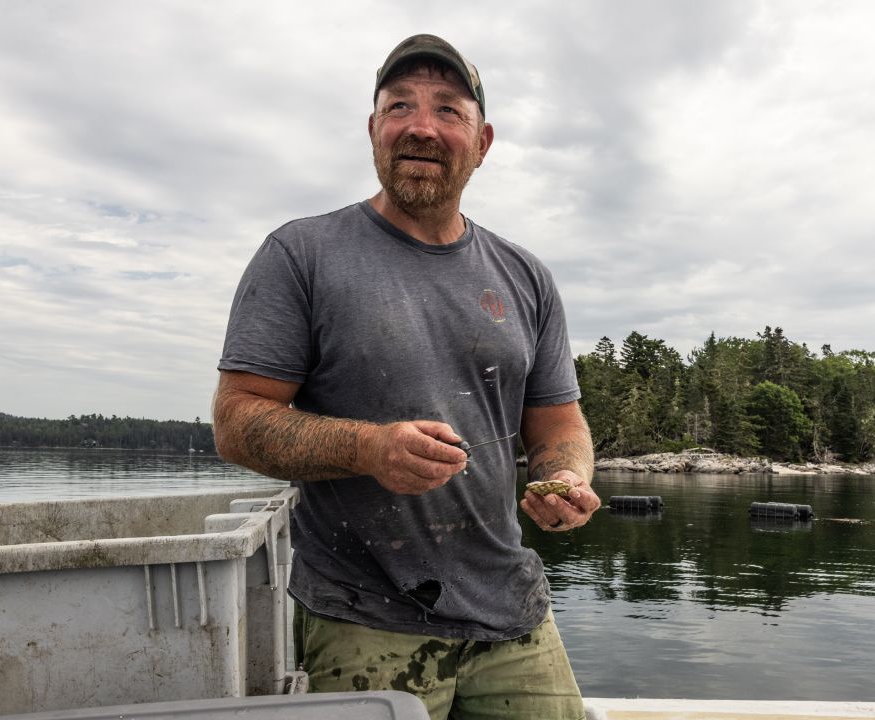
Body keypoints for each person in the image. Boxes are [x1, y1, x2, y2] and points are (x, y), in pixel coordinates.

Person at [213, 33, 598, 720]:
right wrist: (369, 449)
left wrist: (566, 477)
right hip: (363, 616)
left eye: (449, 110)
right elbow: (238, 421)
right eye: (400, 107)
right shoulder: (300, 254)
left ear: (482, 143)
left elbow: (559, 424)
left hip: (512, 613)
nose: (422, 126)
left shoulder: (526, 277)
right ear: (373, 131)